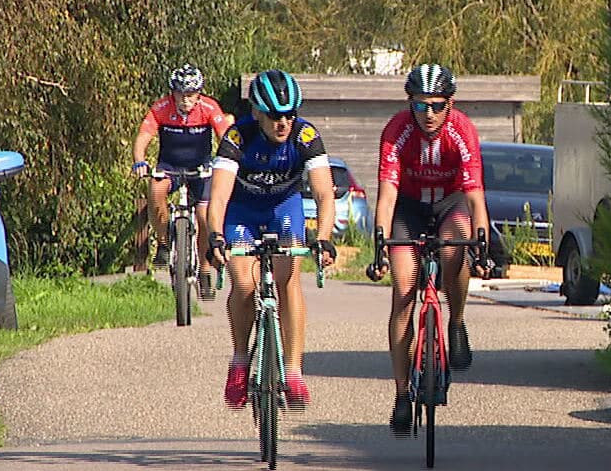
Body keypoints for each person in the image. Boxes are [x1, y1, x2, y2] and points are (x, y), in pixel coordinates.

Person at [368, 62, 493, 435]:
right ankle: (402, 394)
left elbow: (475, 198)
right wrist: (379, 245)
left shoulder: (463, 131)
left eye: (437, 106)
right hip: (408, 207)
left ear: (450, 104)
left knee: (457, 245)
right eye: (420, 106)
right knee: (404, 290)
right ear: (410, 104)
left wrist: (482, 247)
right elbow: (387, 198)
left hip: (449, 203)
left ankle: (455, 322)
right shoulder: (396, 131)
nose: (428, 114)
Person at [202, 69, 339, 408]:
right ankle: (239, 361)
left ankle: (293, 371)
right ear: (257, 113)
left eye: (290, 114)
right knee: (244, 285)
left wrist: (322, 238)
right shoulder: (238, 136)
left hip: (284, 208)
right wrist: (216, 237)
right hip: (242, 212)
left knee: (287, 281)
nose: (284, 122)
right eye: (276, 116)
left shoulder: (306, 136)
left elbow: (324, 194)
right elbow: (218, 198)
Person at [132, 64, 233, 267]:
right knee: (155, 189)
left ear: (198, 94)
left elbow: (226, 136)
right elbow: (143, 136)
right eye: (180, 93)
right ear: (173, 93)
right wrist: (139, 161)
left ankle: (205, 266)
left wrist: (230, 160)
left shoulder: (209, 107)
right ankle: (163, 242)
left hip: (200, 167)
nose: (185, 99)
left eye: (191, 93)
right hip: (170, 166)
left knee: (205, 217)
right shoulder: (161, 108)